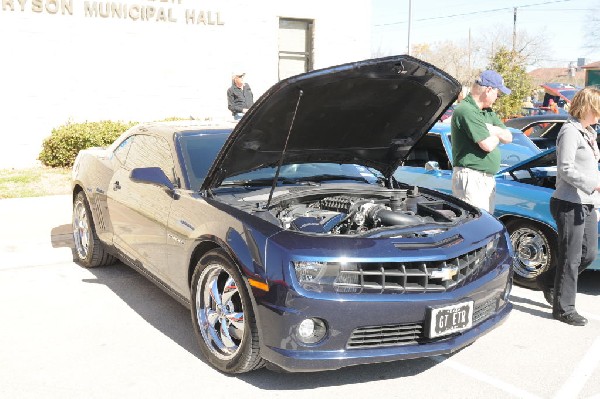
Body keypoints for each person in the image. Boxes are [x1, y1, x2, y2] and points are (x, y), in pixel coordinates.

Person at [537, 87, 600, 326]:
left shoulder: (588, 132)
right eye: (597, 109)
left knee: (588, 254)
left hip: (587, 202)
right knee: (571, 257)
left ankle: (549, 280)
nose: (599, 115)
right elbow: (565, 168)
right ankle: (564, 309)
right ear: (587, 107)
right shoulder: (570, 131)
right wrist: (594, 185)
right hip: (569, 201)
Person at [450, 70, 513, 213]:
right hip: (471, 177)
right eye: (498, 93)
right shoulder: (466, 110)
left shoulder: (487, 111)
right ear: (489, 90)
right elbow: (487, 145)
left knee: (486, 226)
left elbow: (509, 137)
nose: (498, 97)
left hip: (485, 179)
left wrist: (493, 130)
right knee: (474, 227)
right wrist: (498, 133)